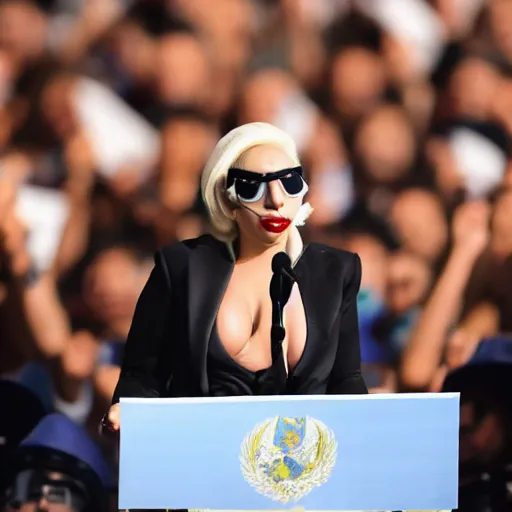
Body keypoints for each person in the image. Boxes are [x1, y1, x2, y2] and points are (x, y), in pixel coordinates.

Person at [102, 121, 367, 433]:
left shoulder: (336, 271)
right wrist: (127, 411)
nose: (275, 200)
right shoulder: (182, 268)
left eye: (290, 182)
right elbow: (142, 375)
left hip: (299, 466)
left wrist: (367, 430)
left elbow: (346, 380)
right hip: (203, 450)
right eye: (251, 186)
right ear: (228, 200)